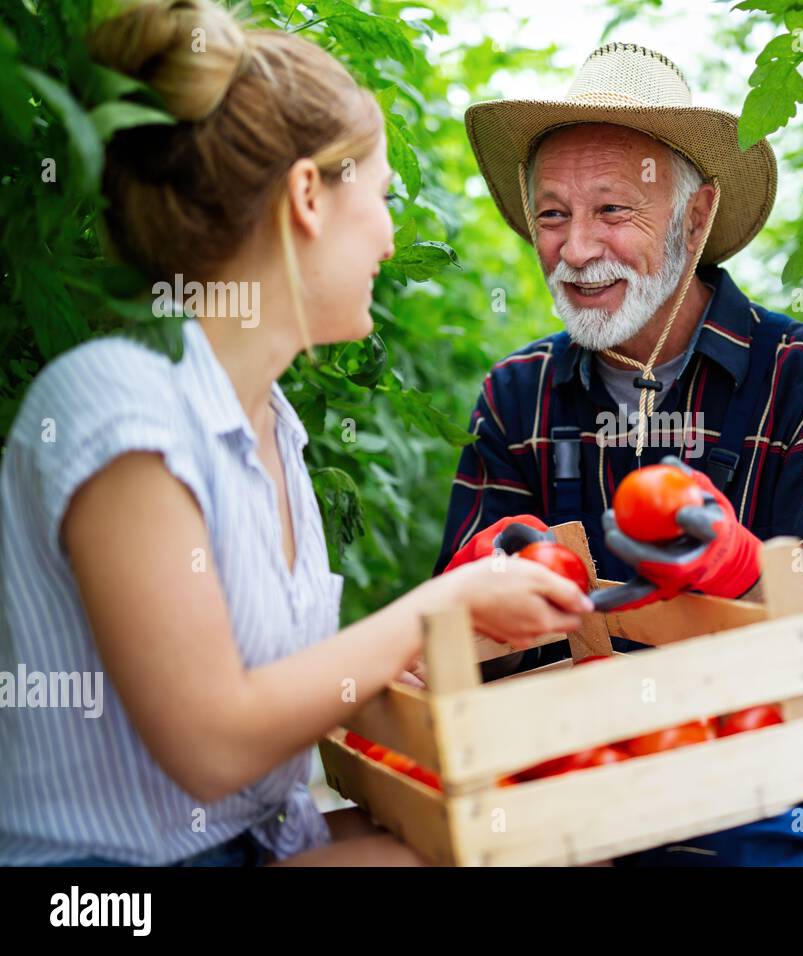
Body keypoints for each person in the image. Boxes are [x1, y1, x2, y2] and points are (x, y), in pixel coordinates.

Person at [0, 0, 591, 867]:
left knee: (556, 839)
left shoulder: (271, 426)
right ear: (307, 195)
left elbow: (277, 699)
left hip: (252, 844)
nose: (391, 239)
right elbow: (211, 746)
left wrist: (418, 663)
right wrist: (436, 610)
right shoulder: (121, 410)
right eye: (382, 198)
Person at [437, 43, 803, 865]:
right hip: (561, 780)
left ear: (693, 220)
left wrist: (751, 576)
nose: (577, 249)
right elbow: (459, 639)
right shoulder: (518, 395)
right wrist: (482, 575)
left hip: (752, 793)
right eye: (552, 214)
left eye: (612, 211)